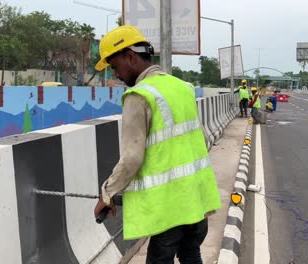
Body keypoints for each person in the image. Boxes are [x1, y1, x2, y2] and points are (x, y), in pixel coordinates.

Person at [93, 25, 221, 263]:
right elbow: (197, 139)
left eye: (114, 66)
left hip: (169, 212)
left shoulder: (138, 96)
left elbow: (132, 158)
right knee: (191, 255)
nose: (116, 75)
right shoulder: (183, 87)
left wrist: (107, 193)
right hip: (197, 202)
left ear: (130, 57)